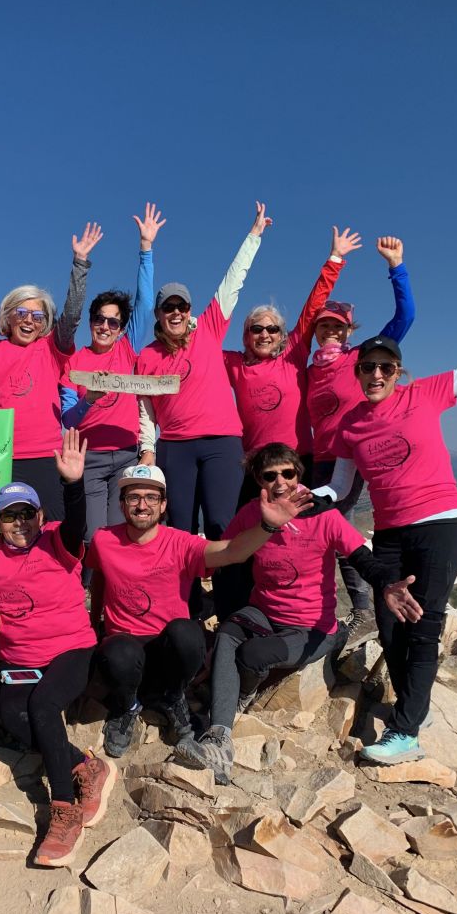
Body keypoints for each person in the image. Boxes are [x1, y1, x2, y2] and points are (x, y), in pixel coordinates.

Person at [175, 443, 422, 785]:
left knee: (252, 654)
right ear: (259, 481)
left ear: (298, 474)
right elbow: (227, 555)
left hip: (311, 627)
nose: (280, 482)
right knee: (229, 631)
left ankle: (242, 693)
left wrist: (385, 583)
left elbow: (361, 558)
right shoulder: (252, 513)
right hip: (264, 612)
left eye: (287, 473)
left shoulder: (323, 515)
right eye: (270, 476)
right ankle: (219, 740)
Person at [314, 335, 457, 764]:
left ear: (398, 371)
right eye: (368, 367)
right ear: (358, 372)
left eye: (386, 366)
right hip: (390, 533)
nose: (377, 374)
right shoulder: (350, 424)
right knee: (389, 622)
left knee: (423, 624)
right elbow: (340, 485)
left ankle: (406, 732)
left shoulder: (425, 393)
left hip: (440, 525)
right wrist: (312, 495)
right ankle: (414, 706)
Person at [87, 462, 315, 759]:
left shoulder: (180, 543)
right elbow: (100, 579)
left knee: (187, 631)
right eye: (134, 497)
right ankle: (128, 706)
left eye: (151, 497)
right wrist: (93, 623)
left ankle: (174, 697)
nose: (142, 505)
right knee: (118, 652)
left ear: (163, 504)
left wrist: (268, 526)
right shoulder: (104, 540)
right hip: (126, 651)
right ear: (122, 504)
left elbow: (232, 551)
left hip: (168, 652)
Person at [0, 430, 115, 867]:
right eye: (10, 516)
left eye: (27, 514)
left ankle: (64, 810)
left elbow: (77, 524)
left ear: (39, 516)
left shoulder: (57, 540)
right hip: (21, 658)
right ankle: (87, 766)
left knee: (42, 706)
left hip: (70, 650)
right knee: (10, 715)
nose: (19, 523)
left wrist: (73, 484)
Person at [135, 202, 272, 614]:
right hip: (175, 447)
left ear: (190, 311)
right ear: (159, 314)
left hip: (221, 444)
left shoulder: (209, 329)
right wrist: (148, 450)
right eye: (168, 308)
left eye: (182, 307)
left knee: (221, 526)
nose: (176, 313)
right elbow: (145, 411)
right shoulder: (147, 355)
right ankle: (186, 609)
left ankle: (232, 611)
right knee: (178, 528)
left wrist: (254, 236)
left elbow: (233, 281)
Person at [307, 237, 415, 636]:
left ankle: (361, 608)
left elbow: (406, 317)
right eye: (324, 325)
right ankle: (337, 607)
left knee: (335, 529)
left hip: (349, 459)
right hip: (319, 460)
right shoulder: (310, 370)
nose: (330, 331)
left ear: (348, 329)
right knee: (327, 530)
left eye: (338, 325)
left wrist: (396, 267)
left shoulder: (361, 360)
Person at [0, 225, 104, 521]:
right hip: (3, 459)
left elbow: (71, 317)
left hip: (47, 456)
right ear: (7, 316)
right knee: (5, 532)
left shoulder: (51, 349)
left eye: (38, 316)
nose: (29, 320)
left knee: (53, 529)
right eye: (22, 313)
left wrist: (80, 264)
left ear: (45, 324)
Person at [60, 203, 165, 580]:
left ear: (122, 328)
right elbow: (67, 418)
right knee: (92, 535)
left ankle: (117, 594)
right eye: (99, 320)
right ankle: (90, 594)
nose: (105, 327)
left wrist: (146, 248)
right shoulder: (74, 362)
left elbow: (145, 301)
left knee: (122, 533)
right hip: (88, 458)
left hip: (125, 455)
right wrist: (88, 401)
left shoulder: (127, 349)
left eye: (113, 322)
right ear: (90, 322)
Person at [224, 225, 363, 506]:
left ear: (282, 335)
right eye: (256, 329)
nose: (265, 334)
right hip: (257, 464)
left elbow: (313, 306)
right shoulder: (234, 363)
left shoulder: (293, 353)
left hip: (299, 460)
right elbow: (201, 350)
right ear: (246, 335)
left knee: (303, 524)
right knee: (254, 526)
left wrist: (335, 259)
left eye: (272, 329)